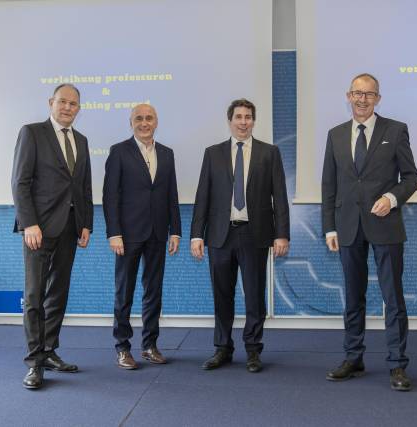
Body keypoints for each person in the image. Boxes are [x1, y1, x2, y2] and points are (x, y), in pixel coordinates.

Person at [322, 73, 417, 391]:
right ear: (348, 96)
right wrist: (329, 228)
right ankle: (353, 358)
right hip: (348, 227)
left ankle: (397, 365)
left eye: (369, 94)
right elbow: (329, 186)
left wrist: (392, 198)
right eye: (357, 93)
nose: (362, 99)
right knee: (353, 297)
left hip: (385, 226)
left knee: (392, 298)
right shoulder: (335, 135)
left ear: (378, 98)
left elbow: (411, 177)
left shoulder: (396, 130)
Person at [191, 98, 290, 373]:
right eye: (238, 117)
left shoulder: (269, 153)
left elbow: (279, 197)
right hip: (220, 236)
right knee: (222, 295)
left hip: (255, 235)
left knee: (254, 296)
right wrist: (196, 235)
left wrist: (282, 234)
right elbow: (203, 197)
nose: (243, 122)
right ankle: (222, 348)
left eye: (248, 117)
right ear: (230, 120)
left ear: (253, 121)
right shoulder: (213, 153)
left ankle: (253, 350)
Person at [11, 83, 93, 389]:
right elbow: (20, 181)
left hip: (70, 229)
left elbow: (83, 186)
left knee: (58, 294)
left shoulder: (82, 141)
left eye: (74, 104)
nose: (68, 107)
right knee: (34, 296)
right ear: (51, 102)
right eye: (63, 102)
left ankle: (49, 351)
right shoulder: (32, 133)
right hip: (39, 230)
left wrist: (86, 224)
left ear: (79, 109)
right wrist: (29, 224)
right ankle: (34, 363)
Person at [103, 103, 181, 369]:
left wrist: (176, 231)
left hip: (158, 233)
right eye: (139, 118)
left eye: (149, 118)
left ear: (156, 121)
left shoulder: (167, 154)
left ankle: (149, 345)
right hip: (127, 235)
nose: (144, 122)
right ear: (131, 122)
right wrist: (113, 232)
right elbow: (110, 196)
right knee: (124, 291)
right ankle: (123, 348)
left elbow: (172, 195)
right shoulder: (118, 152)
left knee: (153, 291)